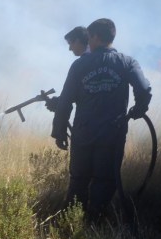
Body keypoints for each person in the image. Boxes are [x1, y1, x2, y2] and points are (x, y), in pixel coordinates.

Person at [50, 18, 152, 219]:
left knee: (79, 179)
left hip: (83, 133)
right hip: (112, 134)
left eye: (89, 37)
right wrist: (138, 110)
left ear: (96, 37)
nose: (88, 41)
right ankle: (94, 219)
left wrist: (59, 131)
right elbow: (144, 89)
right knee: (105, 180)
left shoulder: (79, 65)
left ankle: (71, 220)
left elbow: (66, 101)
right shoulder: (127, 62)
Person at [46, 26, 90, 113]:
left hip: (87, 120)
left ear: (77, 41)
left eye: (70, 44)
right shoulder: (104, 60)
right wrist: (60, 100)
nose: (70, 49)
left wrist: (60, 102)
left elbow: (72, 95)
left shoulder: (80, 65)